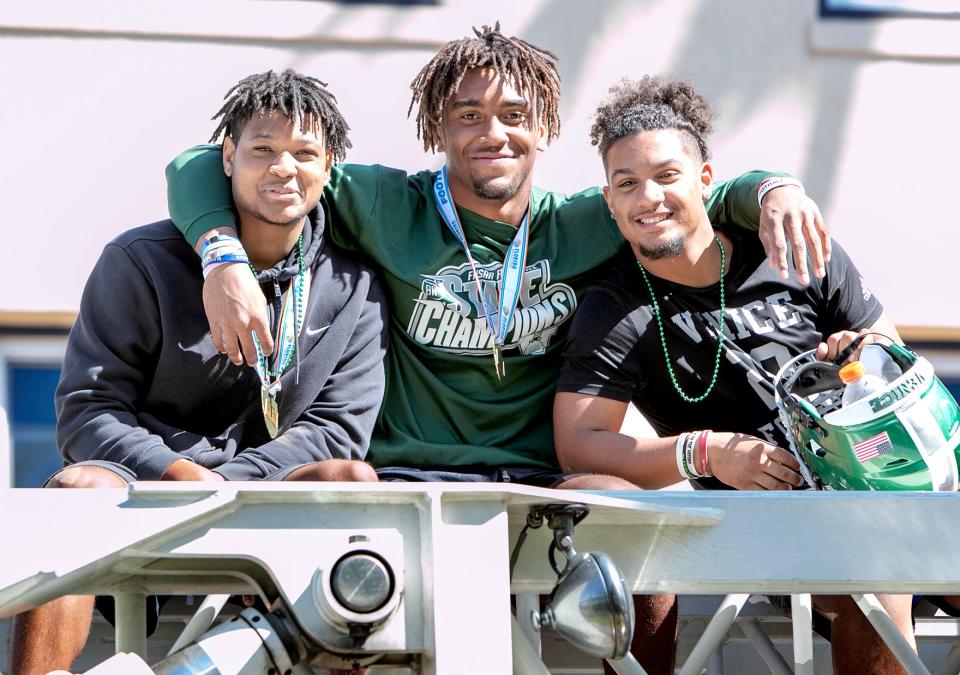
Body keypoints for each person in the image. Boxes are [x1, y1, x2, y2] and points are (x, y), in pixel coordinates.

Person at [165, 24, 829, 674]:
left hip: (536, 485)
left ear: (543, 126)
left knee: (635, 518)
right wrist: (221, 258)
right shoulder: (385, 203)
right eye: (468, 114)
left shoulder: (586, 220)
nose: (493, 133)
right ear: (438, 127)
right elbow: (200, 162)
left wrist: (775, 188)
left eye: (514, 113)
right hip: (407, 480)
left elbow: (695, 192)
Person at [10, 69, 387, 675]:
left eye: (304, 153)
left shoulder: (354, 286)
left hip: (267, 488)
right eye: (262, 150)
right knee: (80, 489)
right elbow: (88, 409)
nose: (283, 168)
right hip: (143, 480)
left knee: (351, 475)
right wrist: (178, 473)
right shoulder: (137, 261)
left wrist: (236, 483)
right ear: (228, 158)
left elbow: (338, 428)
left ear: (329, 167)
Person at [553, 75, 913, 674]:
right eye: (627, 185)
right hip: (778, 529)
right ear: (609, 203)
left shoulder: (788, 246)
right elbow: (579, 444)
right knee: (876, 573)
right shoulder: (614, 307)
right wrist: (706, 453)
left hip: (886, 481)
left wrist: (862, 355)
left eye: (667, 176)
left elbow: (895, 358)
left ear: (705, 180)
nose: (649, 198)